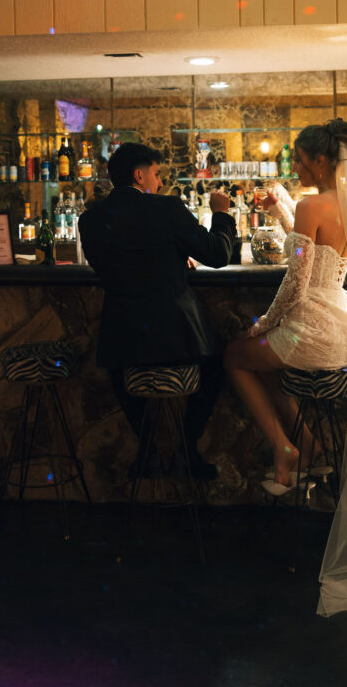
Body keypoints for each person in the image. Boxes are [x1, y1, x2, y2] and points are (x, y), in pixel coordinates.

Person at [224, 118, 347, 615]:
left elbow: (295, 282)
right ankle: (307, 443)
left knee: (235, 356)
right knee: (268, 362)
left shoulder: (312, 203)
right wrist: (280, 213)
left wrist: (260, 325)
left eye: (296, 158)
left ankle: (286, 451)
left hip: (309, 327)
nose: (293, 165)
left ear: (316, 159)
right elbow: (315, 251)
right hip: (341, 329)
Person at [78, 142, 236, 480]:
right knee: (217, 364)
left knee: (121, 375)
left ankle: (147, 448)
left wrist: (174, 256)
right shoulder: (166, 209)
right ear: (139, 175)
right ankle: (185, 449)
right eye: (156, 173)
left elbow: (118, 265)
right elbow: (218, 255)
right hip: (178, 339)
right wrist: (221, 214)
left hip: (121, 341)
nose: (159, 181)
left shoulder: (89, 221)